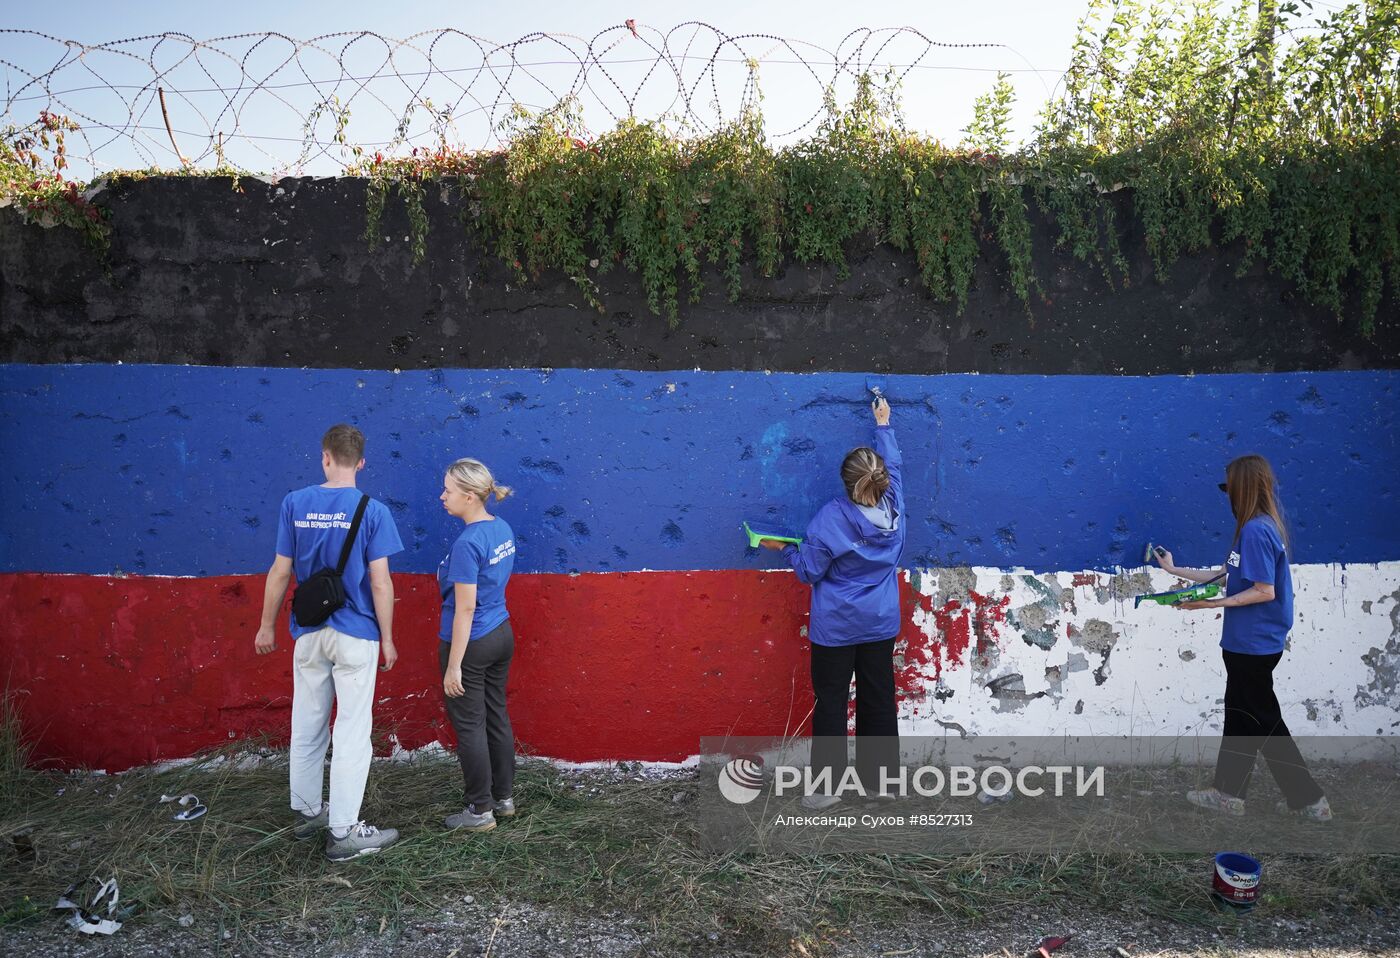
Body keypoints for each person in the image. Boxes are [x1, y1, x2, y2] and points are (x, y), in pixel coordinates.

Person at [254, 424, 406, 861]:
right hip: (356, 635)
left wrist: (266, 626)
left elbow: (280, 571)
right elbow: (380, 582)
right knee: (353, 732)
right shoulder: (373, 510)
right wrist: (388, 638)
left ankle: (308, 816)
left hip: (308, 633)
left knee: (307, 725)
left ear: (324, 457)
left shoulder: (294, 503)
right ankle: (344, 833)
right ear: (361, 462)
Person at [1155, 453, 1331, 822]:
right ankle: (1228, 794)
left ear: (1242, 489)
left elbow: (1264, 591)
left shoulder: (1256, 530)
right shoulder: (1258, 527)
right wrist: (1173, 569)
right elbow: (1226, 575)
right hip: (1245, 641)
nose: (1227, 496)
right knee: (1241, 717)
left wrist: (1210, 606)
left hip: (1253, 643)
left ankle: (1309, 800)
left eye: (1229, 489)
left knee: (1264, 720)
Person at [760, 397, 906, 809]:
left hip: (838, 627)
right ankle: (882, 784)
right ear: (879, 480)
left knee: (832, 701)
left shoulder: (830, 519)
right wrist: (884, 424)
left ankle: (827, 788)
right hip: (879, 622)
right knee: (879, 698)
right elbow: (893, 465)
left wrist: (782, 549)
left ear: (846, 483)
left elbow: (809, 571)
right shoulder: (896, 505)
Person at [438, 457, 518, 832]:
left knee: (470, 726)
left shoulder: (468, 542)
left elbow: (465, 608)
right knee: (496, 715)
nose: (443, 497)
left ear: (470, 496)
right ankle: (503, 799)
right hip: (501, 633)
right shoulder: (500, 528)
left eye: (449, 491)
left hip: (473, 641)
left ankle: (479, 810)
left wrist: (454, 665)